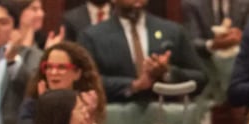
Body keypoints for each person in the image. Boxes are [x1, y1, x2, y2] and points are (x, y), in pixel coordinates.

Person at [79, 0, 208, 102]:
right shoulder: (92, 36)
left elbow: (201, 77)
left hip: (166, 114)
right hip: (116, 117)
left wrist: (168, 72)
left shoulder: (173, 31)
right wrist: (134, 85)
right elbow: (86, 82)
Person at [19, 41, 107, 124]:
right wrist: (45, 108)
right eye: (49, 67)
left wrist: (89, 117)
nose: (53, 72)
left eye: (61, 67)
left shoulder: (86, 105)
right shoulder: (32, 104)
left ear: (77, 73)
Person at [182, 0, 249, 57]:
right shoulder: (192, 3)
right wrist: (212, 45)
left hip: (238, 59)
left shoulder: (247, 2)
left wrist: (238, 36)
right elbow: (192, 41)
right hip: (206, 61)